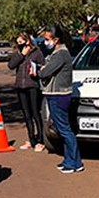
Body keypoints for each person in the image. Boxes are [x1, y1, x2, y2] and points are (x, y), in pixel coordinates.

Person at [37, 25, 84, 174]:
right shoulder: (57, 53)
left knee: (64, 129)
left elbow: (45, 73)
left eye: (47, 39)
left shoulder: (60, 54)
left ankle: (74, 162)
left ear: (56, 39)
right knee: (61, 128)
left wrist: (40, 70)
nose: (45, 42)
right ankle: (69, 160)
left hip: (59, 95)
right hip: (55, 94)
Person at [8, 32, 46, 152]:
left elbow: (43, 65)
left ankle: (40, 140)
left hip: (32, 85)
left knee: (35, 113)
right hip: (20, 86)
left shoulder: (37, 52)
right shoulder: (17, 53)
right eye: (18, 43)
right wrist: (21, 54)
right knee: (26, 114)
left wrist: (38, 70)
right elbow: (11, 65)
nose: (20, 44)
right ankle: (31, 139)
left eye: (22, 42)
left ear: (28, 41)